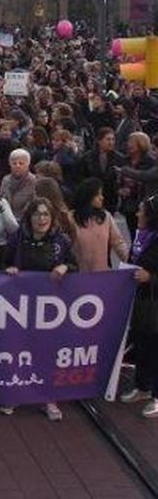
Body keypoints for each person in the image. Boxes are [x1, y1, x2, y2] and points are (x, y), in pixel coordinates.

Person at [2, 197, 77, 420]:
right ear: (29, 217)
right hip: (20, 307)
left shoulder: (61, 241)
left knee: (46, 352)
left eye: (46, 214)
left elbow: (75, 266)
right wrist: (10, 269)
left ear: (52, 218)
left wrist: (66, 266)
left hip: (50, 309)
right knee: (18, 350)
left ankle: (48, 398)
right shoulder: (17, 239)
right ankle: (15, 393)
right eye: (37, 214)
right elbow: (3, 264)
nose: (41, 218)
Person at [119, 196, 158, 418]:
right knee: (142, 345)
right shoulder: (143, 236)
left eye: (141, 211)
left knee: (155, 349)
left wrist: (150, 278)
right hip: (143, 304)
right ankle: (143, 388)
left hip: (154, 303)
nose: (137, 214)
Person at [71, 178, 128, 272]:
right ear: (88, 196)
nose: (102, 197)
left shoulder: (106, 217)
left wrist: (131, 262)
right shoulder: (71, 218)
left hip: (102, 274)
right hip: (78, 276)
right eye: (98, 195)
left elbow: (118, 243)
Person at [0, 148, 37, 217]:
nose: (17, 166)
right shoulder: (5, 180)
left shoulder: (34, 181)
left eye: (21, 163)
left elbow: (32, 205)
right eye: (14, 163)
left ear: (27, 164)